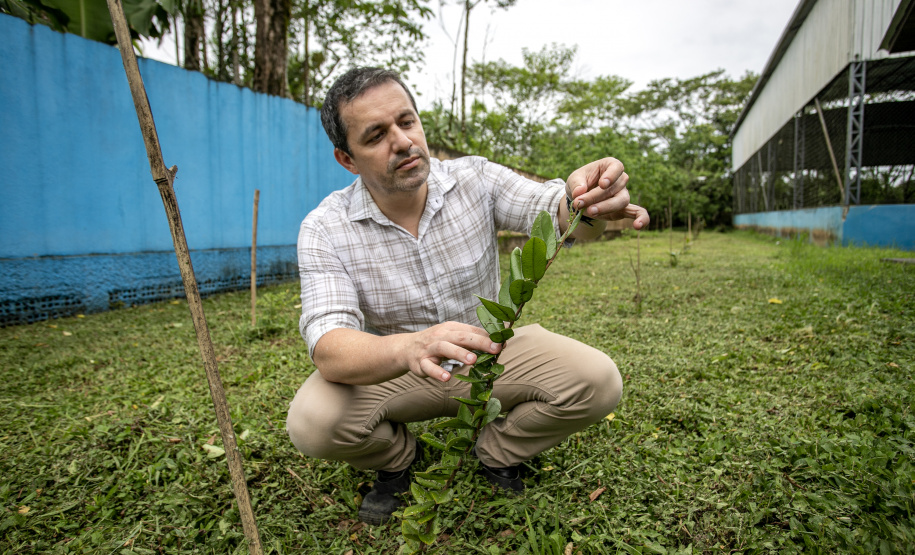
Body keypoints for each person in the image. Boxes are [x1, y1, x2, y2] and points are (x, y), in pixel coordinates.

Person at [286, 67, 649, 525]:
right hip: (397, 369)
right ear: (347, 159)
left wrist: (584, 198)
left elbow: (550, 208)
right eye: (376, 135)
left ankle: (497, 451)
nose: (402, 141)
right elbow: (329, 344)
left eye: (407, 121)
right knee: (312, 422)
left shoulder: (474, 177)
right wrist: (411, 345)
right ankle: (397, 461)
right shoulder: (324, 228)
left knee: (598, 381)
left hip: (492, 352)